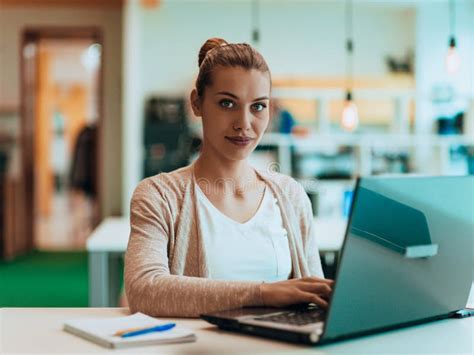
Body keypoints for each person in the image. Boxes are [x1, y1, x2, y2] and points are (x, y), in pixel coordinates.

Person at [124, 38, 333, 318]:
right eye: (227, 103)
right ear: (197, 103)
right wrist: (262, 293)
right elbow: (144, 290)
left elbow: (313, 297)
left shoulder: (291, 195)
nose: (243, 124)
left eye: (258, 107)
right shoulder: (158, 196)